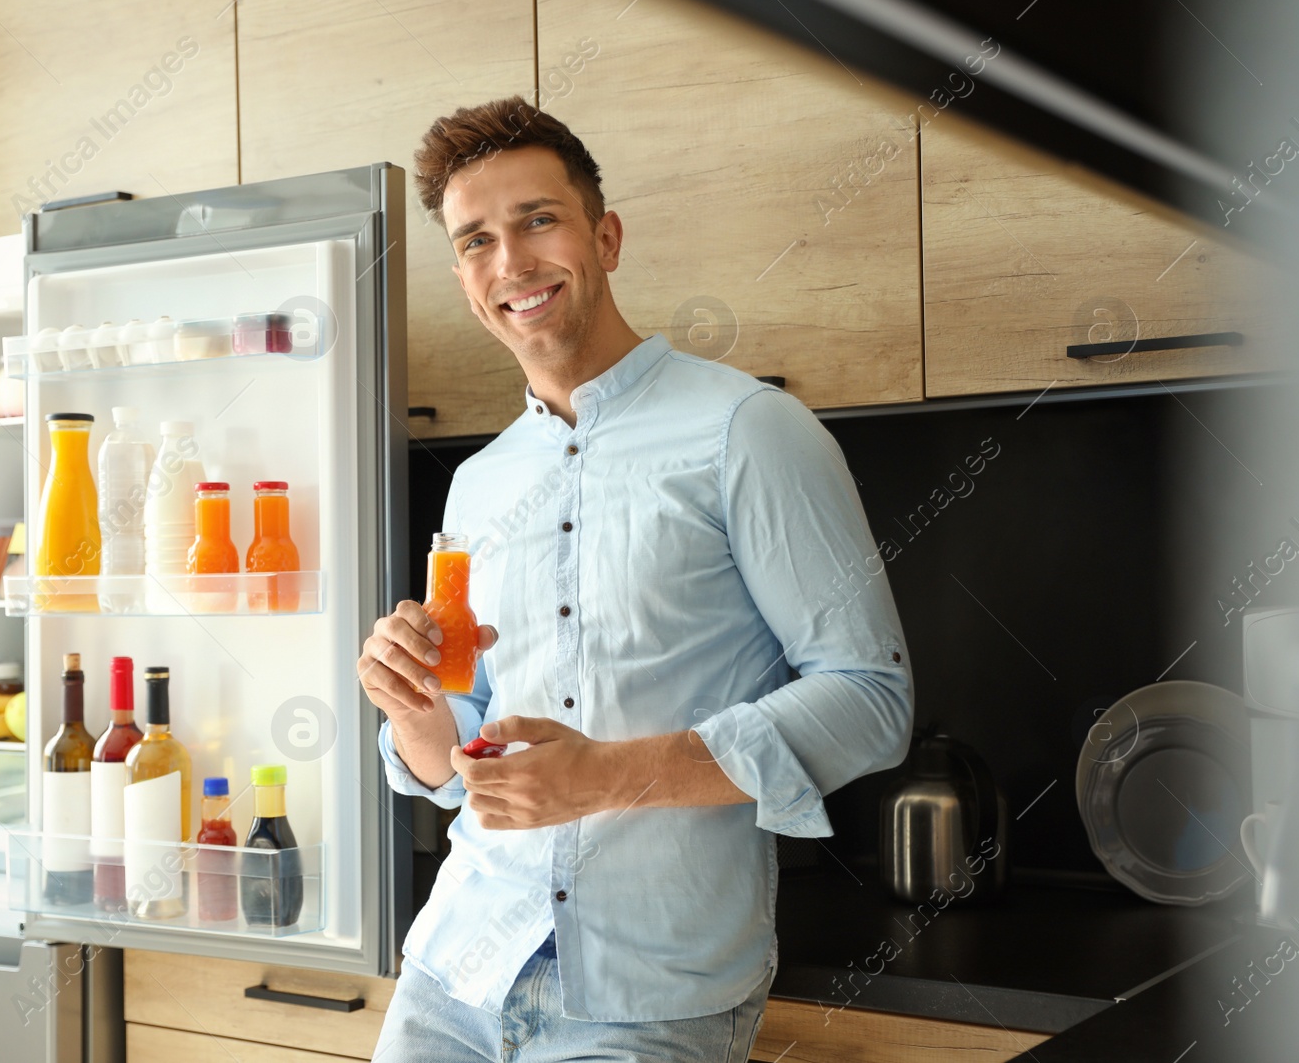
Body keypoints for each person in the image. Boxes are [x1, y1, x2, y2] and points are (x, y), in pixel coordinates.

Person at [360, 95, 914, 1062]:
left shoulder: (749, 430)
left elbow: (872, 700)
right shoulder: (480, 485)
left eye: (539, 219)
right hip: (455, 975)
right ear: (463, 278)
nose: (514, 263)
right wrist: (413, 710)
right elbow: (464, 750)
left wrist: (602, 776)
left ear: (605, 236)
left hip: (650, 995)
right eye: (478, 239)